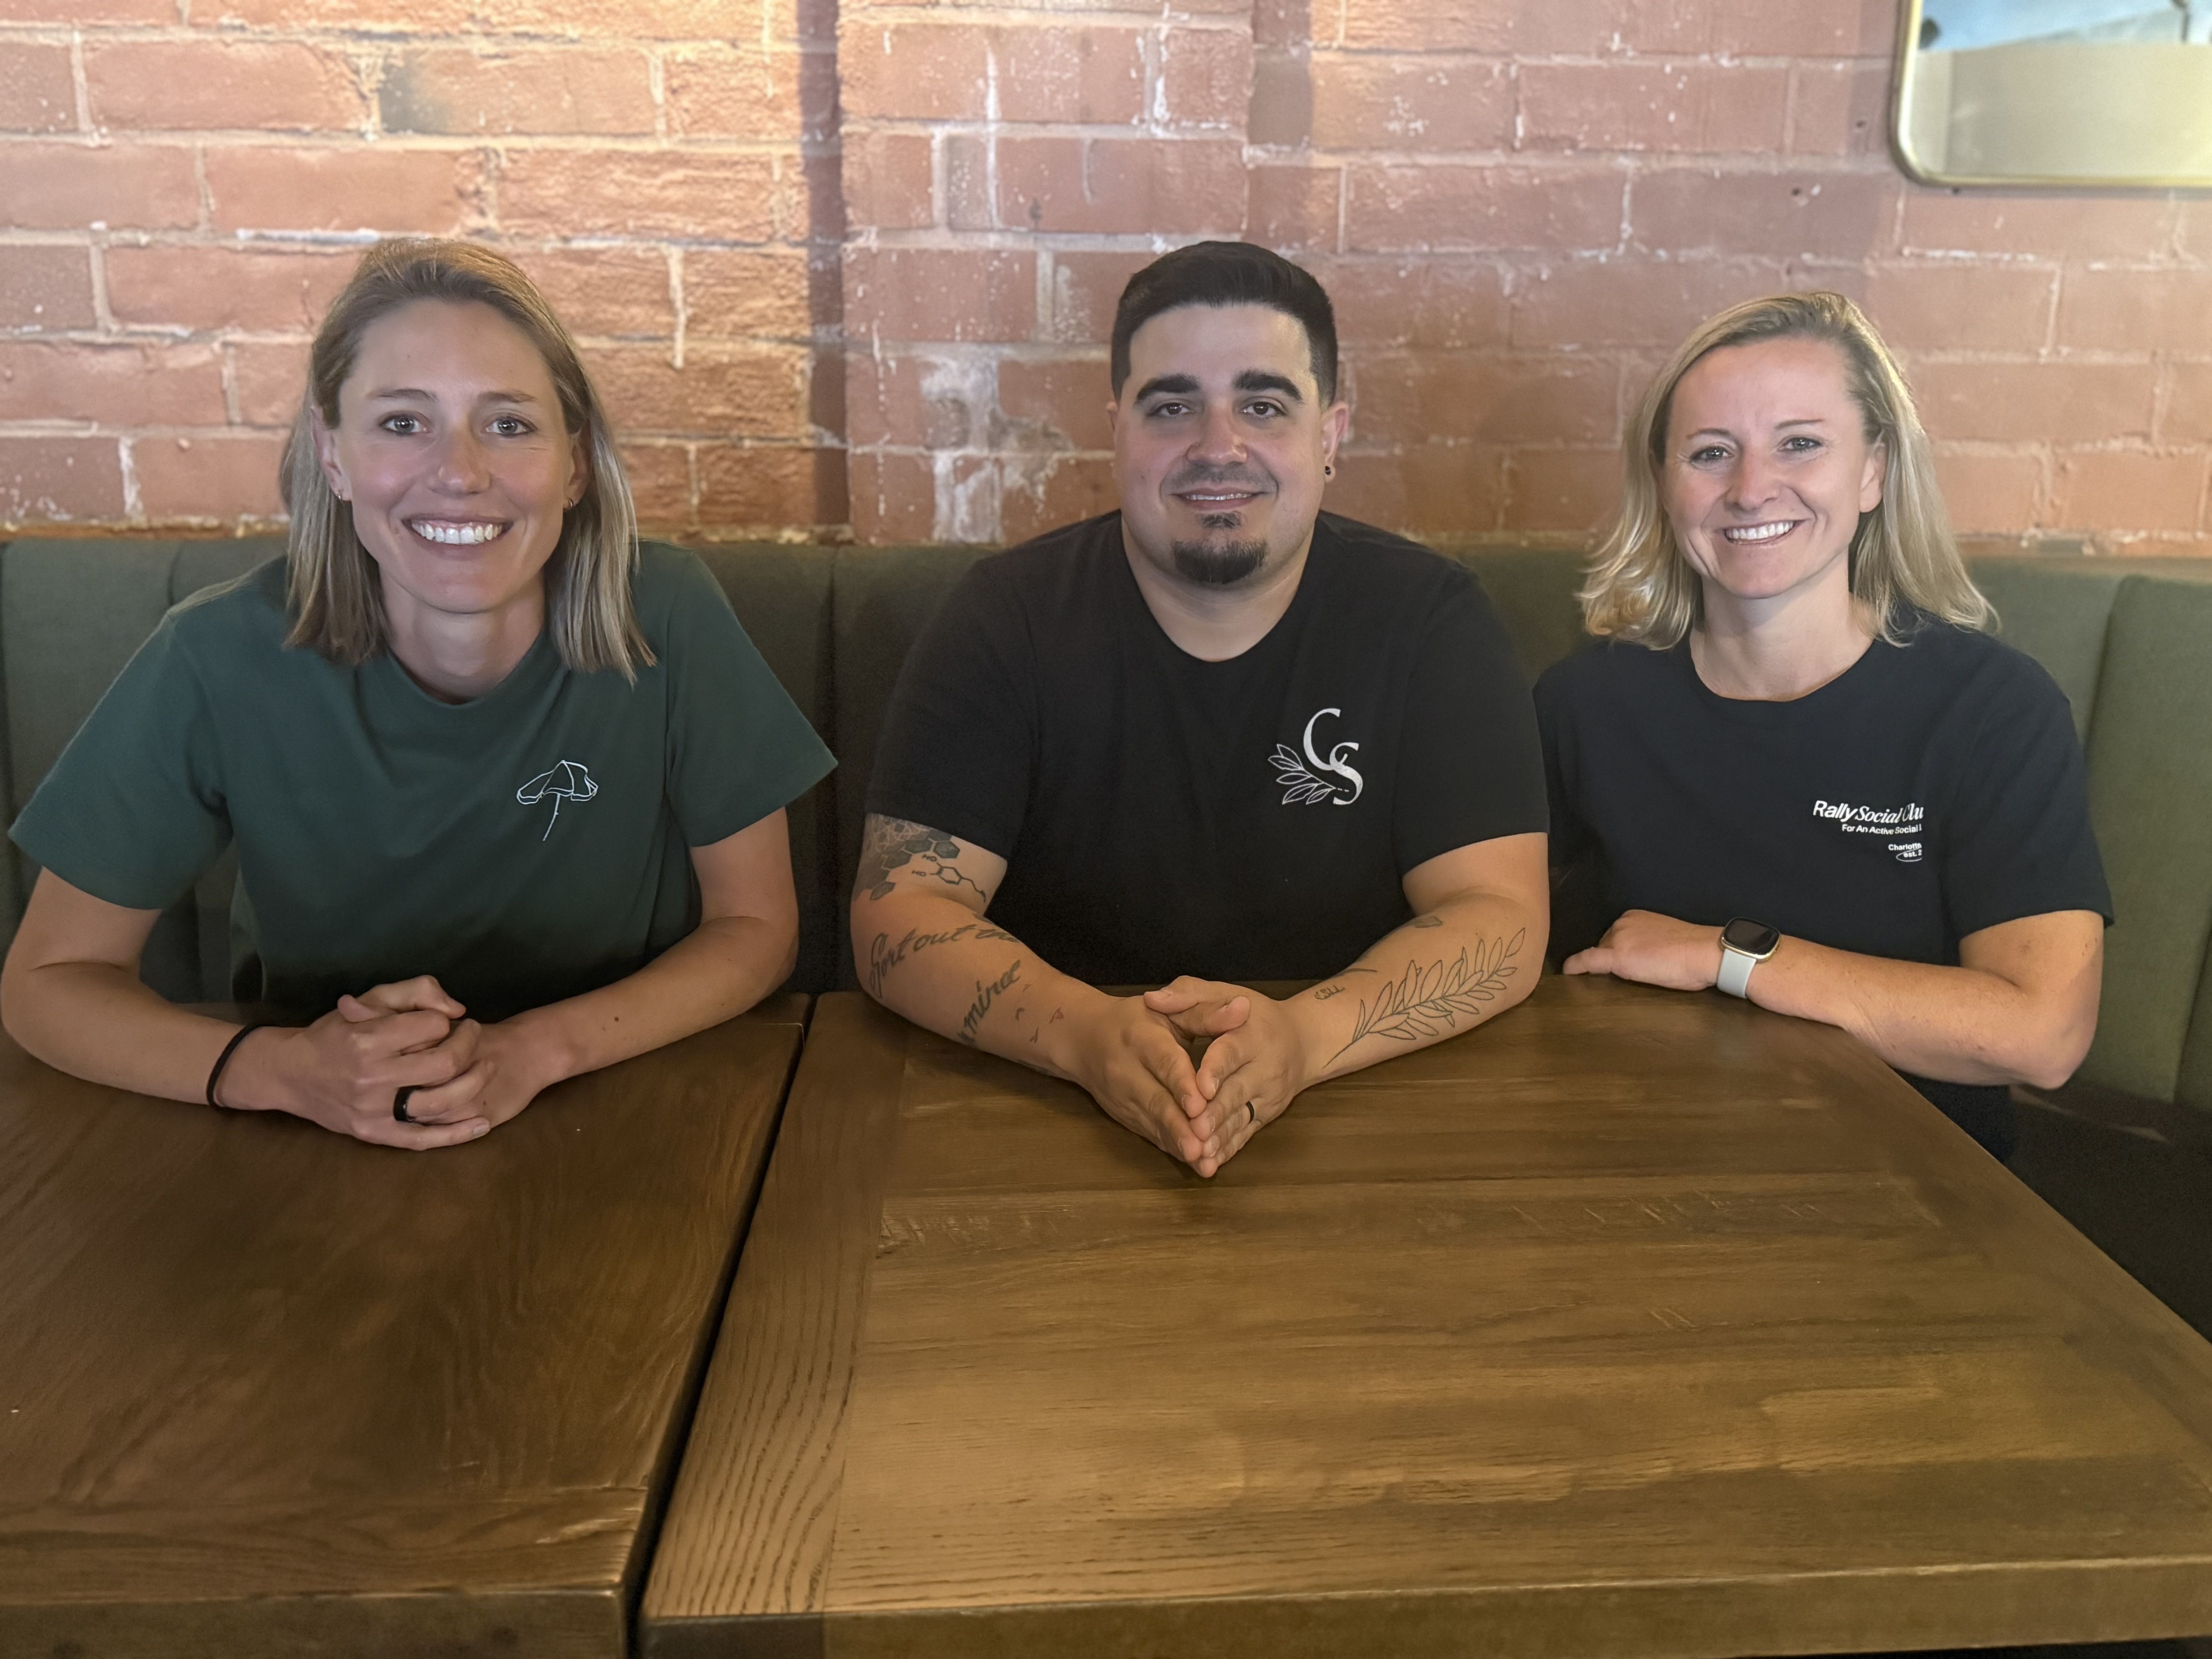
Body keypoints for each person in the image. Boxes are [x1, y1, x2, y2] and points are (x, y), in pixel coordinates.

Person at [1, 239, 833, 1150]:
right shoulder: (215, 655)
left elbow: (757, 926)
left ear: (576, 464)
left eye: (509, 424)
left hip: (629, 1108)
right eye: (403, 423)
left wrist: (529, 1052)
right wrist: (282, 1071)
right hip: (314, 1139)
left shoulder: (666, 615)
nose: (460, 470)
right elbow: (49, 982)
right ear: (332, 454)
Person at [853, 240, 1549, 1177]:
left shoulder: (1430, 621)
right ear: (1118, 431)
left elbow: (1501, 918)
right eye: (1172, 405)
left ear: (1331, 434)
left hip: (1366, 1108)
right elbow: (900, 912)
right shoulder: (1004, 618)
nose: (1218, 446)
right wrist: (1088, 1037)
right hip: (1044, 1115)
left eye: (1263, 405)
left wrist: (1299, 1043)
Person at [1535, 291, 2109, 1160]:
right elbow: (1488, 934)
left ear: (1874, 472)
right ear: (1663, 483)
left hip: (1915, 1194)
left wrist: (1725, 958)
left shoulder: (1993, 711)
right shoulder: (1582, 705)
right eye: (1710, 453)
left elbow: (2043, 1033)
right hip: (1635, 1158)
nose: (1751, 488)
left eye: (1800, 444)